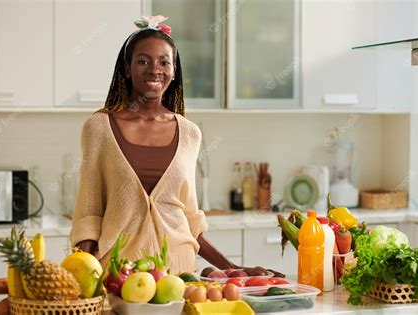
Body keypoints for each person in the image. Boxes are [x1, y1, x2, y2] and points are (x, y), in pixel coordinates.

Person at [69, 15, 284, 276]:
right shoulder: (99, 127)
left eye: (164, 62)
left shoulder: (189, 133)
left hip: (179, 272)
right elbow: (89, 214)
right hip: (118, 275)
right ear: (127, 68)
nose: (154, 69)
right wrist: (79, 274)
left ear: (173, 70)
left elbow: (189, 218)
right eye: (143, 61)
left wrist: (234, 269)